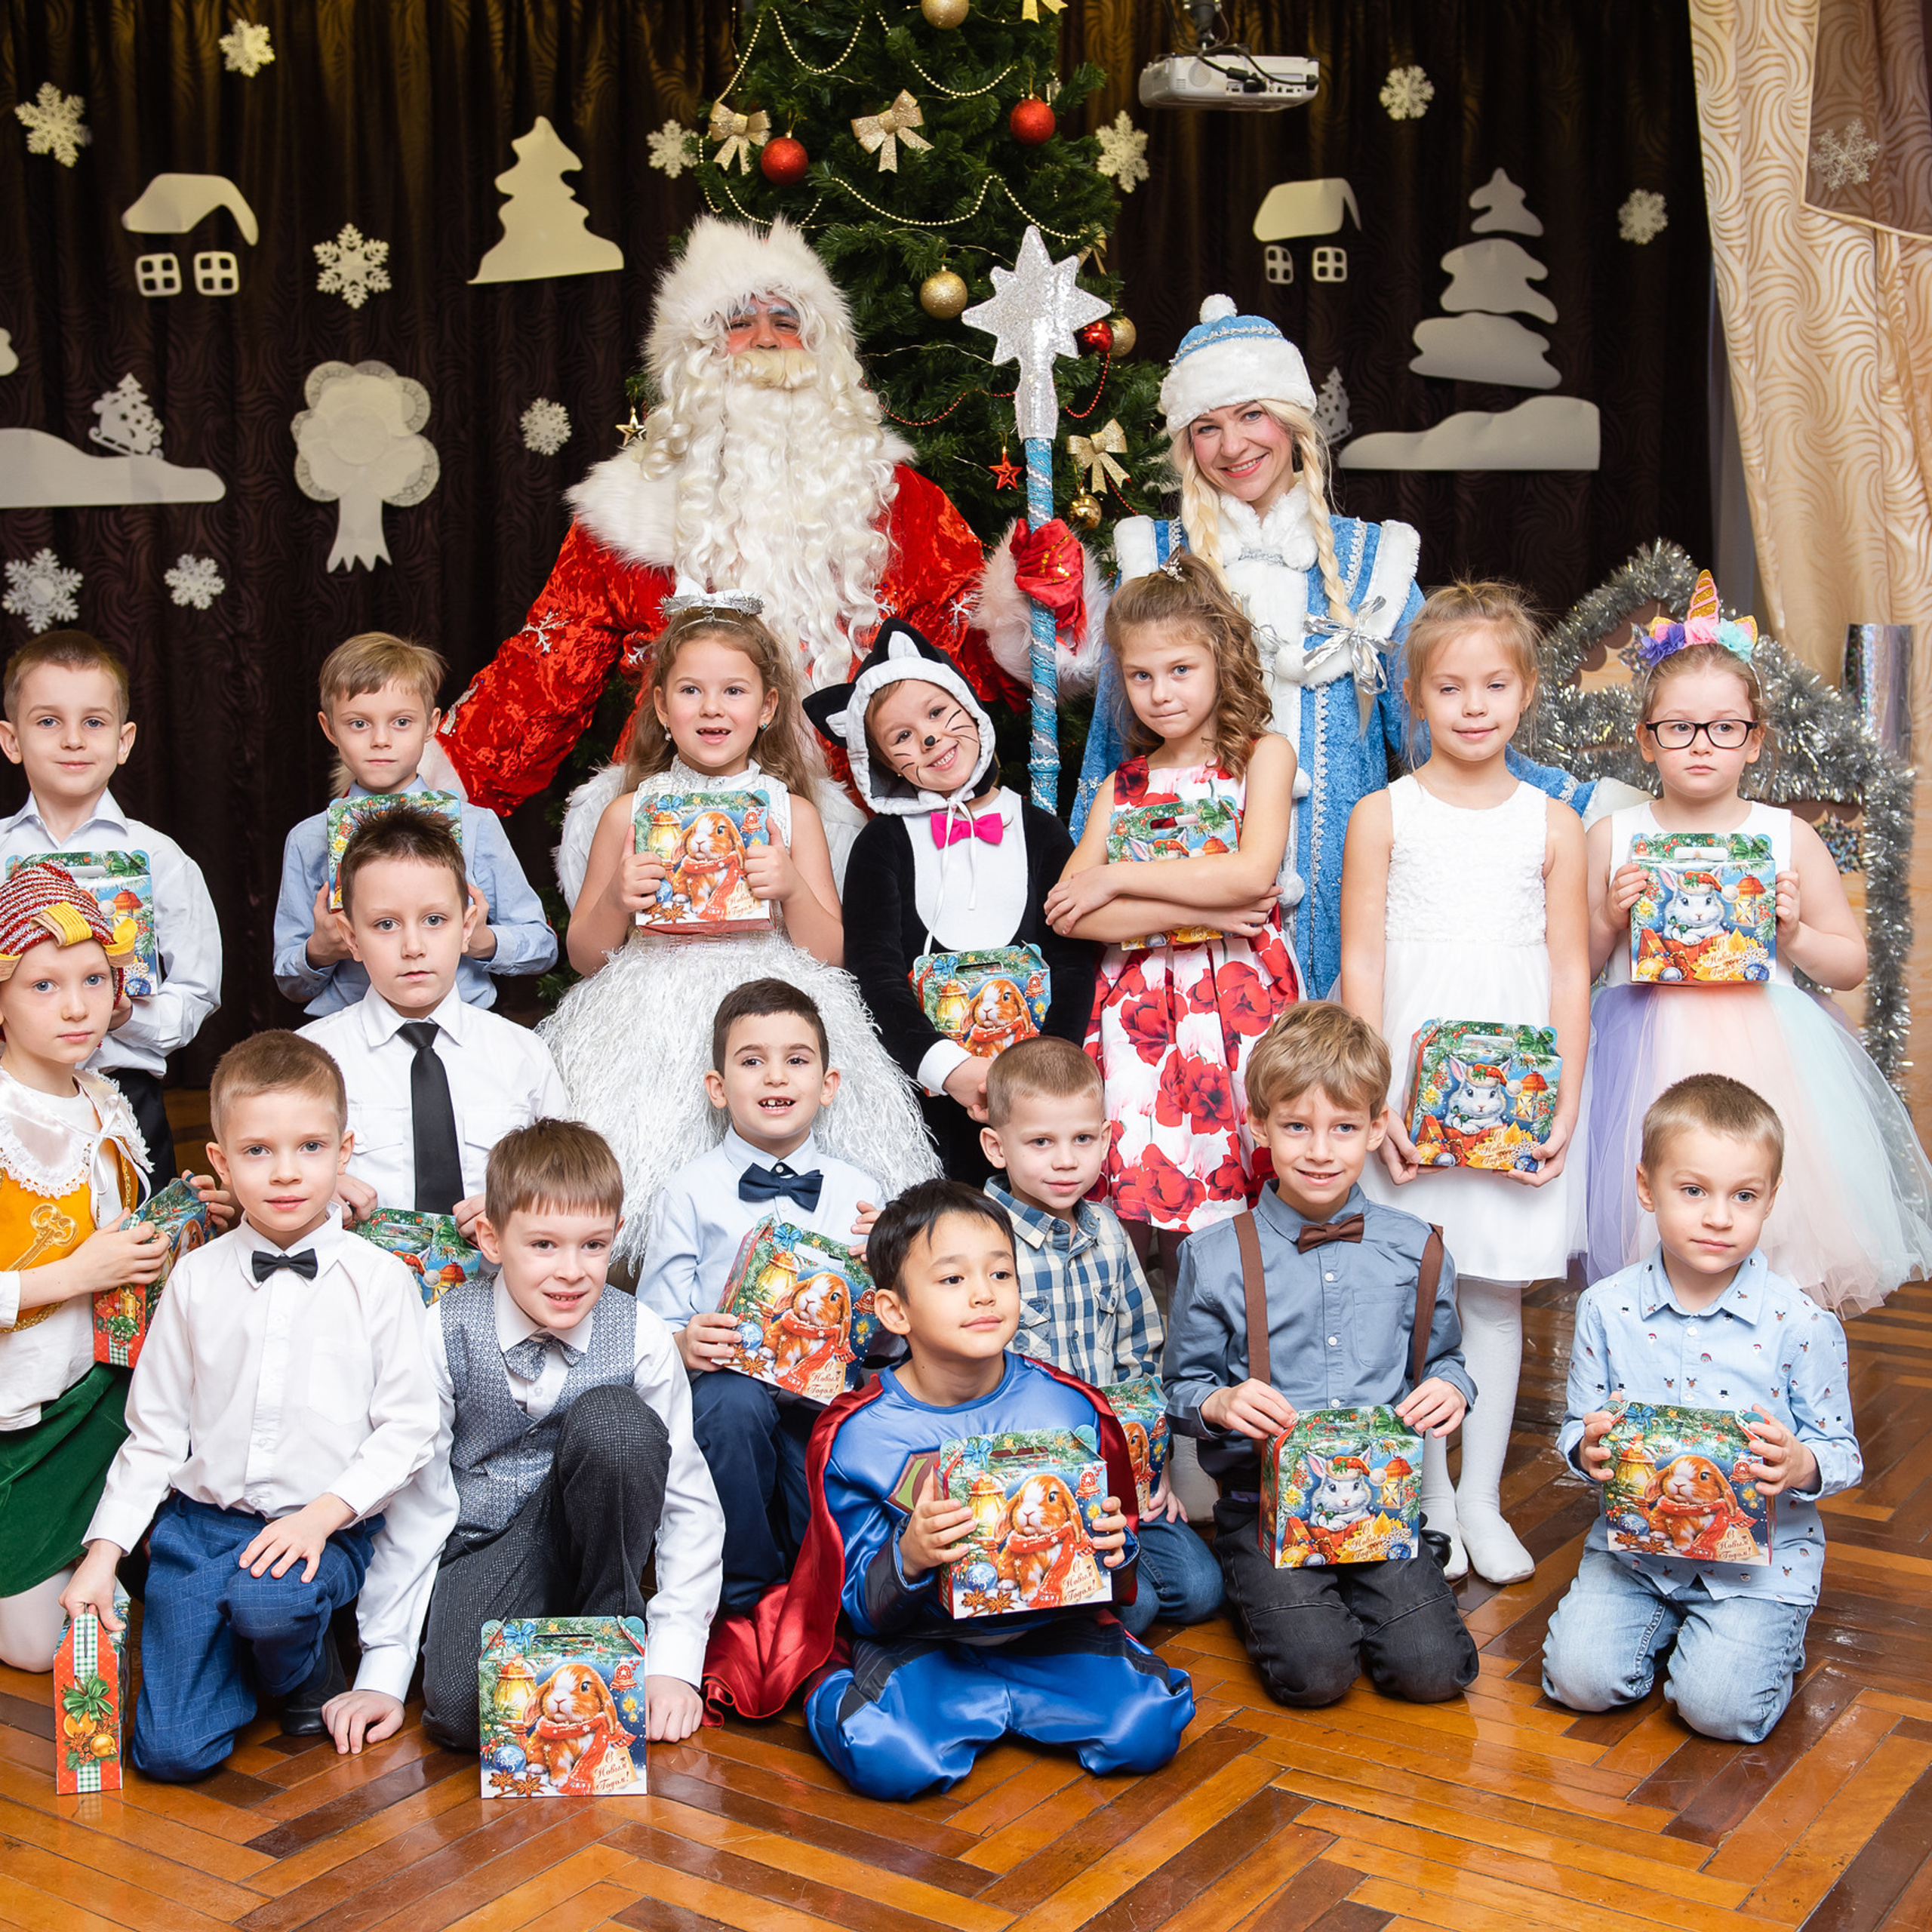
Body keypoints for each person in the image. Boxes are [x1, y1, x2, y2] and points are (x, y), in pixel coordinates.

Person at [430, 216, 1082, 851]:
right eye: (738, 324)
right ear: (697, 356)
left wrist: (1026, 606)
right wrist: (425, 788)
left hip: (869, 831)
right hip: (682, 831)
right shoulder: (628, 510)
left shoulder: (895, 500)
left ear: (822, 350)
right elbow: (544, 670)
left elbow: (959, 652)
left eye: (787, 322)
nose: (766, 342)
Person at [1073, 295, 1604, 996]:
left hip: (1338, 897)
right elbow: (1117, 745)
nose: (1233, 447)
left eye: (1252, 415)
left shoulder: (1368, 568)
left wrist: (1576, 805)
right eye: (1207, 427)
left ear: (1292, 421)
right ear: (1186, 444)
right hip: (1179, 930)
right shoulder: (1160, 568)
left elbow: (1436, 719)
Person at [703, 1180, 1195, 1800]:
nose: (985, 1295)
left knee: (1149, 1730)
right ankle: (830, 1688)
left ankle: (1010, 1703)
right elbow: (855, 1605)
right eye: (953, 1280)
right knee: (890, 1761)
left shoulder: (1071, 1406)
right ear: (894, 1312)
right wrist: (908, 1558)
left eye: (1001, 1274)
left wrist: (1115, 1549)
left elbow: (1113, 1580)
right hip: (924, 1644)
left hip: (1047, 1636)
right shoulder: (857, 1436)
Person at [62, 1031, 439, 1780]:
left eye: (309, 1146)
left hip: (324, 1527)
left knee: (271, 1600)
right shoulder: (196, 1281)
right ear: (222, 1163)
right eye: (259, 1152)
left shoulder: (380, 1281)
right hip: (203, 1530)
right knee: (169, 1755)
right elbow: (155, 1434)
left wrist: (322, 1516)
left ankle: (299, 1666)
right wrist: (101, 1557)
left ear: (344, 1151)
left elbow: (409, 1427)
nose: (287, 1172)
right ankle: (240, 1651)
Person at [543, 599, 934, 1263]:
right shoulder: (626, 815)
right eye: (692, 691)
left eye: (734, 691)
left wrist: (789, 887)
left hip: (770, 1006)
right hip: (650, 1014)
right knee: (641, 1192)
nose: (713, 709)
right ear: (663, 708)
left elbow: (831, 951)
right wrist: (616, 898)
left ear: (768, 706)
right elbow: (584, 955)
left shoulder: (796, 816)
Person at [1582, 577, 1932, 1314]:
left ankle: (1762, 1394)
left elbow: (1849, 960)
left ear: (1754, 737)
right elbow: (1575, 964)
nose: (1700, 744)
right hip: (1639, 1055)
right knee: (1652, 1234)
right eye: (1677, 727)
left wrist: (1797, 932)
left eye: (1723, 727)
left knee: (1773, 1237)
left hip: (1767, 1052)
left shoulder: (1783, 836)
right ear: (1646, 738)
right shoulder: (1614, 836)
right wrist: (1608, 919)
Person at [322, 1118, 725, 1756]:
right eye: (543, 1244)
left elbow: (687, 1503)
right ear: (491, 1237)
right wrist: (384, 1670)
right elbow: (417, 1506)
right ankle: (531, 1626)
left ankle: (610, 1638)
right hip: (486, 1540)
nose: (571, 1272)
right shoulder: (441, 1330)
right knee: (459, 1710)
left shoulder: (642, 1333)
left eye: (593, 1246)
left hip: (602, 1546)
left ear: (615, 1239)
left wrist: (674, 1661)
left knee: (615, 1423)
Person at [1340, 581, 1589, 1587]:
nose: (1474, 704)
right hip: (1409, 1079)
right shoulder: (1380, 814)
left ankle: (1481, 1499)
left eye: (1494, 684)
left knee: (1492, 1287)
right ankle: (1431, 1498)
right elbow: (1360, 961)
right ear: (1417, 695)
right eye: (1451, 686)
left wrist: (1567, 1095)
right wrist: (1371, 1099)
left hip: (1514, 1091)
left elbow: (1571, 967)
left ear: (1525, 692)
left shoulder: (1553, 823)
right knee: (1413, 1291)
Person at [1164, 1002, 1479, 1709]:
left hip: (1381, 1503)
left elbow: (1448, 1360)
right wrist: (1218, 1401)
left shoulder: (1416, 1247)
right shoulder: (1213, 1258)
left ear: (1375, 1128)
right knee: (1316, 1678)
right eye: (1296, 1126)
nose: (1319, 1150)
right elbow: (1179, 1389)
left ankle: (1395, 1581)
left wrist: (1452, 1390)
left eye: (1343, 1128)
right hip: (1263, 1505)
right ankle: (1276, 1590)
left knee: (1432, 1673)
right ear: (1258, 1125)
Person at [1543, 1075, 1860, 1743]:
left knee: (1716, 1712)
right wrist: (1586, 1449)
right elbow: (1577, 1428)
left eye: (1743, 1196)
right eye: (1694, 1191)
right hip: (1635, 1555)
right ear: (1646, 1186)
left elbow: (1842, 1453)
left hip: (1759, 1571)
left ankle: (1764, 1636)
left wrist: (1802, 1462)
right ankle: (1679, 1630)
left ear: (1770, 1200)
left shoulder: (1800, 1323)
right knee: (1580, 1684)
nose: (1719, 1216)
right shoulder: (1605, 1307)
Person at [0, 863, 226, 1670]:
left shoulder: (104, 1097)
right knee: (32, 1648)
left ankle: (135, 1565)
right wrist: (74, 1273)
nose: (75, 1005)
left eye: (94, 978)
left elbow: (122, 1241)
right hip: (16, 1419)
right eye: (44, 984)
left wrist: (185, 1217)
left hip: (99, 1390)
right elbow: (82, 1262)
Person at [1049, 556, 1297, 1237]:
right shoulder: (1120, 787)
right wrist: (1202, 909)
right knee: (1142, 1175)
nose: (1160, 693)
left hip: (1239, 1000)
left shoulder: (1261, 757)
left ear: (1222, 658)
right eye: (1140, 675)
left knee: (1245, 1178)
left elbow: (1250, 877)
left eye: (1181, 669)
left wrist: (1119, 877)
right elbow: (1072, 914)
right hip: (1139, 1012)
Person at [807, 622, 1098, 1184]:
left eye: (939, 714)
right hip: (928, 1099)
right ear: (883, 763)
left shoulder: (1039, 830)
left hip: (1042, 1104)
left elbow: (1073, 958)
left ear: (968, 705)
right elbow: (875, 976)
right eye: (902, 738)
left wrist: (1047, 1070)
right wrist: (951, 1070)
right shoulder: (881, 847)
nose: (930, 740)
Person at [639, 980, 880, 1615]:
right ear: (718, 1088)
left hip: (824, 1392)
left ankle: (820, 1596)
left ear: (827, 1084)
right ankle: (742, 1598)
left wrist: (882, 1278)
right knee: (731, 1407)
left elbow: (890, 1334)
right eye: (752, 1061)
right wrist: (686, 1342)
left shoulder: (862, 1193)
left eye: (796, 1060)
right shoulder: (685, 1193)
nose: (776, 1076)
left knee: (821, 1484)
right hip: (726, 1390)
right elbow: (654, 1324)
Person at [979, 1035, 1223, 1635]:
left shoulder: (1111, 1233)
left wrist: (1151, 1467)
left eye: (1082, 1140)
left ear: (1107, 1141)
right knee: (1133, 1608)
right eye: (1041, 1143)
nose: (1066, 1162)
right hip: (1029, 1482)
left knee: (1199, 1591)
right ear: (996, 1145)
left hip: (1117, 1480)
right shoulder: (976, 1238)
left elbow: (1140, 1358)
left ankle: (1100, 1584)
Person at [0, 630, 220, 1181]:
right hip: (11, 1097)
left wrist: (127, 1018)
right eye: (48, 721)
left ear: (123, 741)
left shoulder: (161, 858)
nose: (73, 740)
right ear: (12, 739)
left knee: (140, 1253)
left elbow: (198, 990)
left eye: (93, 722)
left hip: (128, 1093)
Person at [299, 807, 570, 1238]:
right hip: (358, 1292)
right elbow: (263, 1189)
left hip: (497, 1291)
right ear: (351, 937)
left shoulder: (523, 1056)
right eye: (385, 924)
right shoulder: (308, 1061)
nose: (413, 946)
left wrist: (523, 1206)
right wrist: (310, 1196)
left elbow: (571, 1192)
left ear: (466, 928)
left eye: (434, 921)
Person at [273, 632, 555, 1018]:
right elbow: (288, 978)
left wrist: (480, 939)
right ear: (329, 729)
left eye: (401, 721)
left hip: (461, 1030)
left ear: (431, 724)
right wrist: (319, 950)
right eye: (358, 724)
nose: (381, 740)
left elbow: (542, 945)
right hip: (348, 1032)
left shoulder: (475, 827)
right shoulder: (309, 839)